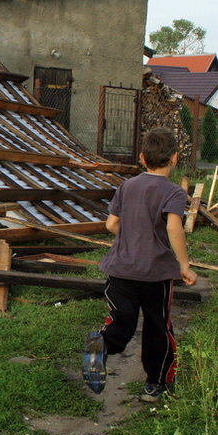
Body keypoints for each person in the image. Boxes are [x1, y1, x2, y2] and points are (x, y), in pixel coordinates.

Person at [82, 127, 198, 402]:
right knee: (158, 326)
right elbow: (173, 228)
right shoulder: (174, 192)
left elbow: (111, 224)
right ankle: (156, 384)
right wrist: (184, 265)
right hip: (155, 275)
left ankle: (102, 345)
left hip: (120, 270)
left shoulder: (127, 186)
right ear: (175, 158)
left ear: (142, 158)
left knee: (121, 320)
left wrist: (134, 232)